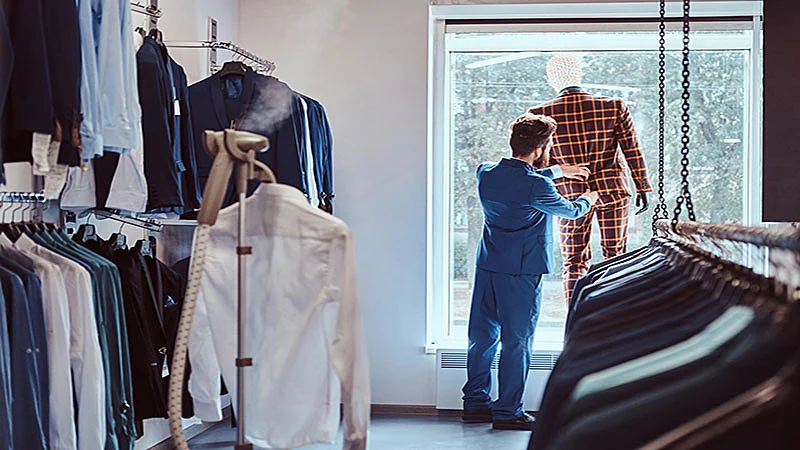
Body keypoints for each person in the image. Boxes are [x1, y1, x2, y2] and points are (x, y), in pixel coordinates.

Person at [462, 113, 598, 430]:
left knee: (481, 338)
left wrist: (558, 171)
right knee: (517, 342)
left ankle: (475, 404)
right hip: (521, 273)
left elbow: (520, 183)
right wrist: (588, 198)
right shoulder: (536, 186)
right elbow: (571, 211)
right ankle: (508, 412)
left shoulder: (486, 174)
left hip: (488, 266)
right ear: (539, 149)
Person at [528, 55, 652, 304]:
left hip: (569, 198)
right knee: (615, 256)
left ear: (552, 79)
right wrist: (642, 186)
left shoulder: (540, 114)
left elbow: (538, 162)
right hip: (611, 191)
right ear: (579, 74)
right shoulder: (614, 106)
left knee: (574, 262)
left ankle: (576, 323)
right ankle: (612, 317)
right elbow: (632, 150)